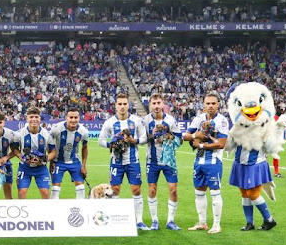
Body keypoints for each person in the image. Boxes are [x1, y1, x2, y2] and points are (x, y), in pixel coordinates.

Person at [98, 93, 147, 229]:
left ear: (128, 105)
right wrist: (111, 145)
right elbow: (100, 140)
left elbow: (144, 138)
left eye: (125, 104)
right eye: (120, 104)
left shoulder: (136, 121)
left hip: (133, 161)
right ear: (115, 106)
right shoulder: (110, 122)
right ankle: (114, 219)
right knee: (114, 190)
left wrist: (133, 141)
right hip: (116, 162)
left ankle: (139, 221)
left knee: (136, 189)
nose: (122, 106)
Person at [183, 92, 229, 234]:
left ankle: (216, 224)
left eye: (213, 103)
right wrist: (196, 135)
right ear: (203, 105)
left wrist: (201, 145)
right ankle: (202, 223)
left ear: (218, 105)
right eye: (208, 103)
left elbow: (221, 144)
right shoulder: (199, 118)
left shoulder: (222, 121)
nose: (210, 106)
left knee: (215, 193)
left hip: (214, 162)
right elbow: (185, 136)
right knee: (199, 193)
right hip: (199, 161)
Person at [142, 94, 183, 230]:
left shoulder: (170, 120)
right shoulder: (145, 121)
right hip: (152, 161)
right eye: (154, 103)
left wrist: (168, 136)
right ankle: (155, 221)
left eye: (159, 103)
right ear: (150, 105)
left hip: (169, 161)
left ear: (163, 104)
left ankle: (170, 221)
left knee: (173, 190)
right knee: (152, 189)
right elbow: (142, 140)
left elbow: (180, 140)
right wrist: (152, 135)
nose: (156, 106)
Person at [47, 107, 89, 199]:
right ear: (66, 117)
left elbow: (85, 147)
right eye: (71, 117)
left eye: (76, 117)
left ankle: (80, 210)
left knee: (81, 187)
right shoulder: (56, 129)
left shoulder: (83, 131)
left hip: (74, 161)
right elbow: (50, 147)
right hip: (58, 161)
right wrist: (51, 162)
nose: (73, 120)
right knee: (55, 188)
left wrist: (83, 165)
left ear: (79, 118)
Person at [12, 107, 52, 199]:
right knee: (21, 193)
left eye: (36, 117)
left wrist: (43, 160)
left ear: (40, 119)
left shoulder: (47, 134)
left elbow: (53, 151)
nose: (34, 119)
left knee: (45, 193)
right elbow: (14, 148)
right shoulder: (19, 133)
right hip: (25, 168)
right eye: (31, 117)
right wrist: (21, 156)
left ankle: (46, 213)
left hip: (41, 168)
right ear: (27, 119)